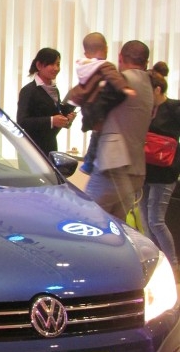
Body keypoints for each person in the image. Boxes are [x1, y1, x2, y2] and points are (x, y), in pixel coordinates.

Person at [85, 40, 153, 221]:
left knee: (87, 221)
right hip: (136, 170)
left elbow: (93, 115)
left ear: (120, 57)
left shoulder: (120, 81)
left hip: (112, 166)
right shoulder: (149, 85)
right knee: (116, 228)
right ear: (146, 62)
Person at [64, 32, 136, 175]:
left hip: (87, 105)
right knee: (99, 135)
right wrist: (125, 88)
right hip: (97, 106)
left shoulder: (83, 65)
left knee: (96, 134)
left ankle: (88, 163)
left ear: (86, 53)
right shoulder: (105, 66)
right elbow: (114, 77)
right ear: (106, 48)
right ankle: (90, 162)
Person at [139, 68, 180, 276]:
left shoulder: (174, 108)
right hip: (144, 171)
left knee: (156, 220)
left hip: (165, 173)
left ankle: (173, 265)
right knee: (146, 221)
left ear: (157, 89)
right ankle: (156, 263)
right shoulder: (143, 109)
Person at [16, 47, 77, 156]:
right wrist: (51, 121)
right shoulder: (28, 90)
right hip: (32, 149)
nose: (56, 68)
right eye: (51, 64)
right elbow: (22, 121)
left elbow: (54, 115)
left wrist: (66, 120)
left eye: (58, 64)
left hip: (50, 147)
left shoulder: (54, 89)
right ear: (39, 65)